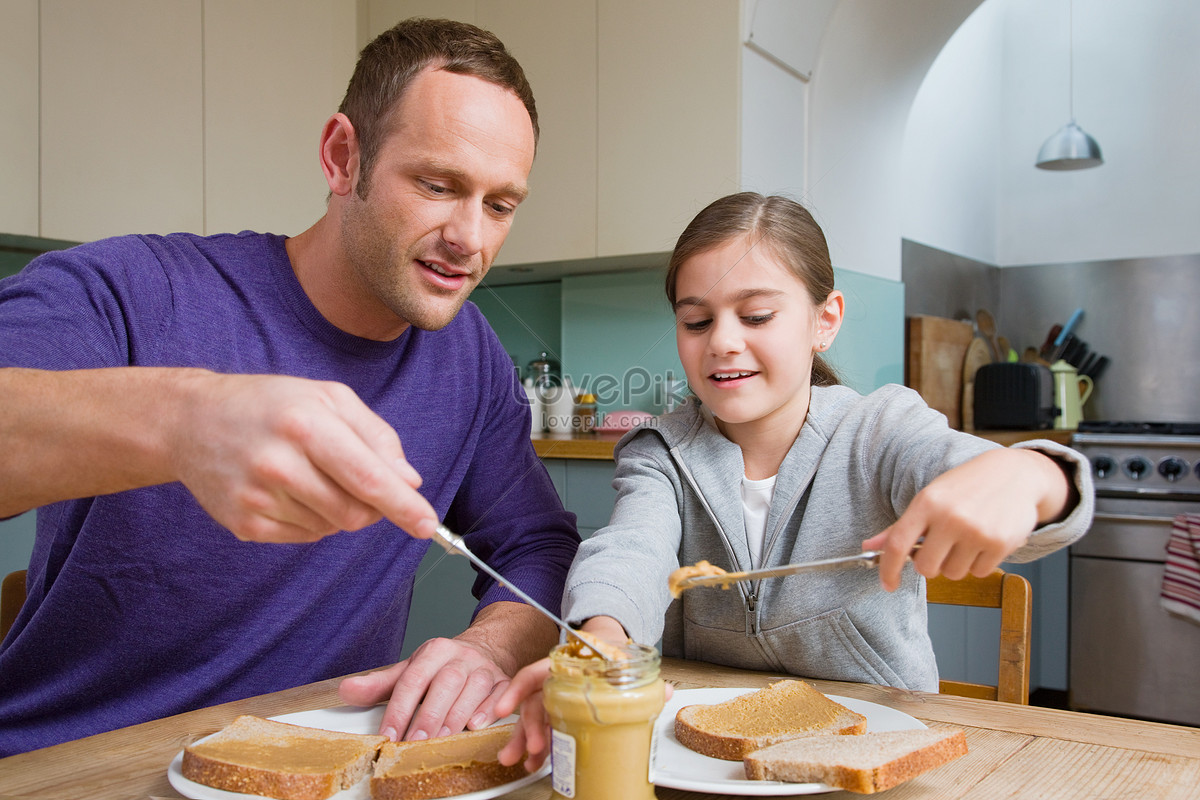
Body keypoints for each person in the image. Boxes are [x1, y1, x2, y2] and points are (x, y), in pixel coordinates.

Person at [0, 18, 579, 756]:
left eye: (501, 205)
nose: (470, 238)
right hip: (67, 767)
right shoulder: (128, 290)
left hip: (311, 764)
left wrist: (492, 649)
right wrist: (185, 420)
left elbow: (537, 547)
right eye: (438, 185)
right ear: (344, 157)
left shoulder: (471, 359)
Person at [493, 192, 1094, 771]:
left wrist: (1033, 474)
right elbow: (631, 550)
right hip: (700, 763)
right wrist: (602, 641)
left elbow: (996, 479)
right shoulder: (661, 453)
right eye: (697, 321)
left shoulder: (880, 430)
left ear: (824, 320)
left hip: (880, 752)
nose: (723, 342)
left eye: (756, 316)